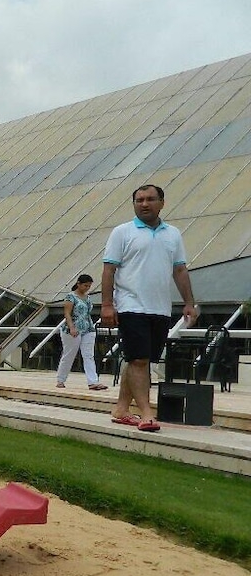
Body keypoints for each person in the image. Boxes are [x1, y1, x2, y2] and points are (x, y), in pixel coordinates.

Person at [101, 184, 197, 432]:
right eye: (139, 200)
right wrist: (107, 305)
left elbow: (179, 269)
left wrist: (188, 302)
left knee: (139, 361)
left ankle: (121, 409)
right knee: (140, 360)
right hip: (131, 306)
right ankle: (146, 413)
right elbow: (109, 269)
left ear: (162, 203)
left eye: (150, 199)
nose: (144, 204)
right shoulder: (122, 232)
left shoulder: (173, 234)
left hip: (160, 309)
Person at [55, 274, 106, 390]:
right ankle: (61, 379)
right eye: (85, 285)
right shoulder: (71, 297)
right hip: (73, 328)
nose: (87, 288)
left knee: (88, 355)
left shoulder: (87, 297)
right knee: (69, 354)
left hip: (87, 328)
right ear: (79, 284)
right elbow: (67, 313)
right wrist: (71, 327)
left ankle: (93, 381)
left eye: (89, 286)